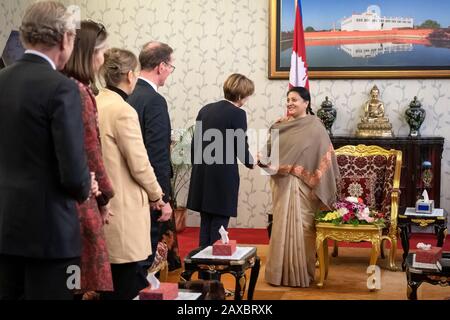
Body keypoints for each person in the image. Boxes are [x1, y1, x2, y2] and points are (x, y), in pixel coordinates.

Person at [0, 1, 93, 300]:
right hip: (51, 237)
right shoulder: (62, 88)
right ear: (65, 38)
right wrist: (85, 185)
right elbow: (73, 175)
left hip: (4, 230)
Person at [96, 48, 165, 300]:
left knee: (106, 282)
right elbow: (139, 163)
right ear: (130, 75)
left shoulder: (94, 101)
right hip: (123, 208)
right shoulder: (122, 110)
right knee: (126, 282)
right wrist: (158, 195)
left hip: (100, 201)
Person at [259, 86, 340, 288]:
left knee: (304, 230)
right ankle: (278, 274)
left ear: (306, 103)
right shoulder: (279, 126)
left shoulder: (316, 127)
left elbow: (325, 158)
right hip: (282, 184)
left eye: (294, 99)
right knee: (280, 227)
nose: (290, 103)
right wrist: (262, 159)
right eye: (288, 99)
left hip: (305, 188)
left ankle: (302, 273)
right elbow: (268, 153)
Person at [63, 20, 114, 298]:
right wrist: (105, 196)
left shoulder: (60, 84)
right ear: (88, 53)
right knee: (78, 281)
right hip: (78, 198)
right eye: (101, 51)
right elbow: (91, 151)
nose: (103, 58)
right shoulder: (79, 92)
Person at [127, 41, 180, 278]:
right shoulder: (155, 101)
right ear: (161, 66)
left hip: (129, 190)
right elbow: (157, 154)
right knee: (148, 261)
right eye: (171, 66)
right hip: (150, 194)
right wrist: (162, 198)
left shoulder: (129, 95)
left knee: (134, 255)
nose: (170, 71)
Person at [187, 73, 255, 248]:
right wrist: (251, 162)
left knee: (206, 224)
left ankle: (202, 268)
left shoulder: (205, 109)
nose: (248, 99)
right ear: (240, 95)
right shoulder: (238, 114)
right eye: (248, 95)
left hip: (202, 175)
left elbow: (195, 145)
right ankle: (213, 271)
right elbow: (240, 146)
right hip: (222, 178)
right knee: (219, 227)